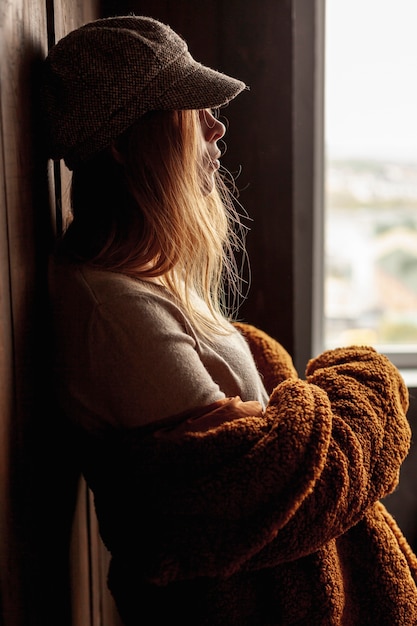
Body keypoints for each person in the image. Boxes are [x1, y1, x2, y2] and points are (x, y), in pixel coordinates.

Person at [42, 15, 417, 626]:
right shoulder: (110, 309)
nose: (217, 125)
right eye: (190, 109)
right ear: (120, 140)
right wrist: (365, 382)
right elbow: (259, 485)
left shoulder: (144, 282)